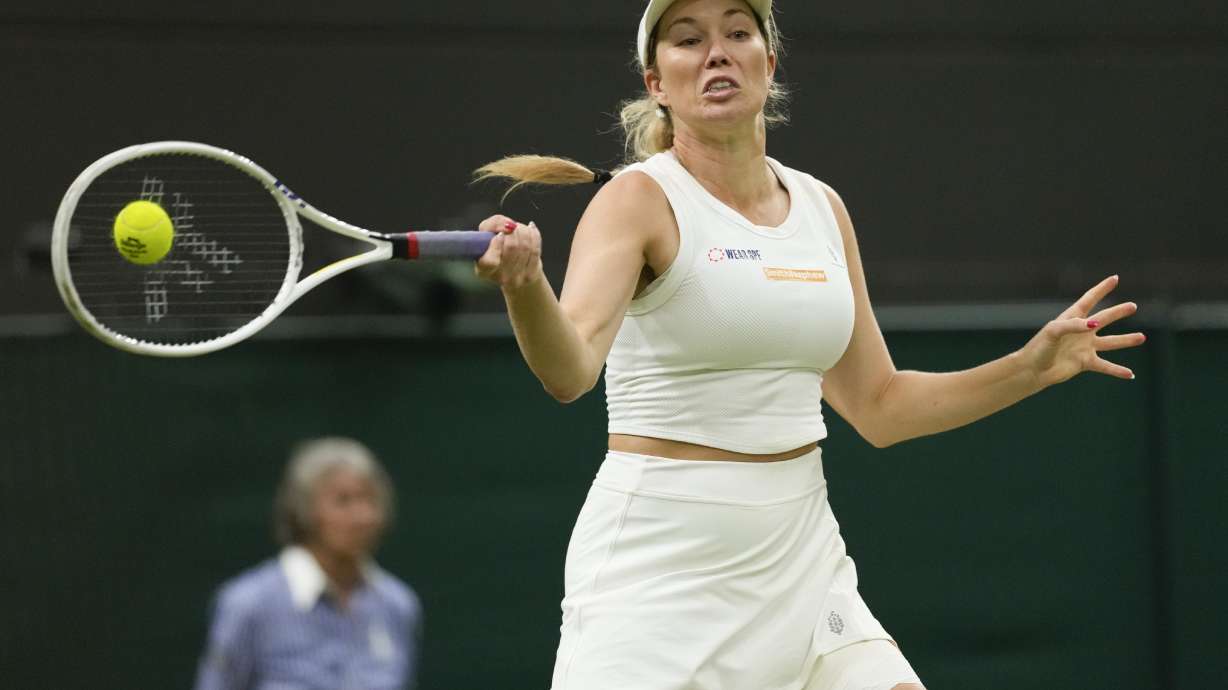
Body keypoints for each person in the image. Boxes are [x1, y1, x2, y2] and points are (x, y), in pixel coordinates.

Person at [470, 0, 1145, 688]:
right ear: (656, 82)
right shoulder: (636, 201)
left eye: (738, 32)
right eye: (687, 39)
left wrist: (1029, 368)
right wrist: (526, 287)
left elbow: (880, 407)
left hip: (802, 556)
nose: (717, 52)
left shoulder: (823, 207)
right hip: (660, 568)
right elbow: (570, 369)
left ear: (770, 60)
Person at [194, 438, 421, 690]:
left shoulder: (397, 604)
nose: (361, 516)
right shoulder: (249, 603)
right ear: (304, 509)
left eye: (369, 500)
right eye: (342, 501)